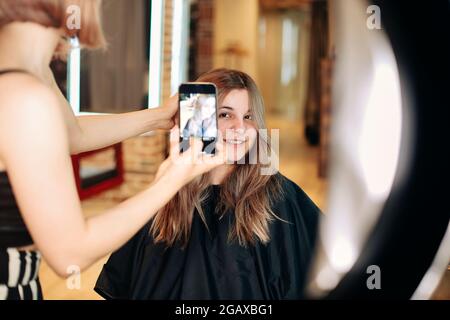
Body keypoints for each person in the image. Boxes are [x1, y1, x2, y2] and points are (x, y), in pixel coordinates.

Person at [0, 0, 224, 300]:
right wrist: (171, 179)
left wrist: (157, 116)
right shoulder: (25, 96)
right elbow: (70, 254)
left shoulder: (29, 71)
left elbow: (72, 136)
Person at [95, 68, 321, 300]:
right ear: (199, 121)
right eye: (225, 115)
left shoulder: (280, 196)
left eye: (248, 117)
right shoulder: (166, 193)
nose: (239, 128)